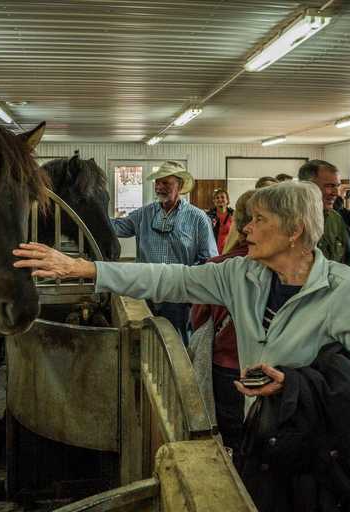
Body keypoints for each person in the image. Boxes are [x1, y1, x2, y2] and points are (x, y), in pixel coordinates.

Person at [13, 181, 350, 509]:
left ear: (294, 231)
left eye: (260, 220)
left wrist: (297, 386)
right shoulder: (242, 275)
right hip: (263, 442)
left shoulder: (344, 291)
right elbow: (172, 279)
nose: (246, 229)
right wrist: (86, 268)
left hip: (320, 458)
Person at [109, 160, 217, 345]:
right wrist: (90, 213)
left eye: (165, 183)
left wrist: (188, 281)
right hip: (146, 292)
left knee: (177, 344)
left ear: (180, 185)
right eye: (157, 183)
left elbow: (209, 259)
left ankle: (178, 374)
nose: (159, 187)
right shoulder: (144, 214)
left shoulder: (197, 218)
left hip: (178, 294)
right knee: (146, 341)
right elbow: (116, 228)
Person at [190, 190, 254, 468]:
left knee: (233, 434)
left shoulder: (218, 266)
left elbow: (198, 316)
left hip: (227, 363)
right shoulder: (294, 269)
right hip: (275, 367)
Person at [298, 159, 350, 263]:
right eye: (329, 186)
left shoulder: (336, 219)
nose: (336, 192)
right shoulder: (286, 219)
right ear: (307, 185)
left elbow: (347, 259)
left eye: (337, 186)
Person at [206, 188, 234, 253]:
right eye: (217, 198)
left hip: (229, 252)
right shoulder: (208, 216)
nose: (220, 199)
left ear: (227, 200)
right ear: (214, 200)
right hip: (212, 252)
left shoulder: (234, 215)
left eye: (222, 197)